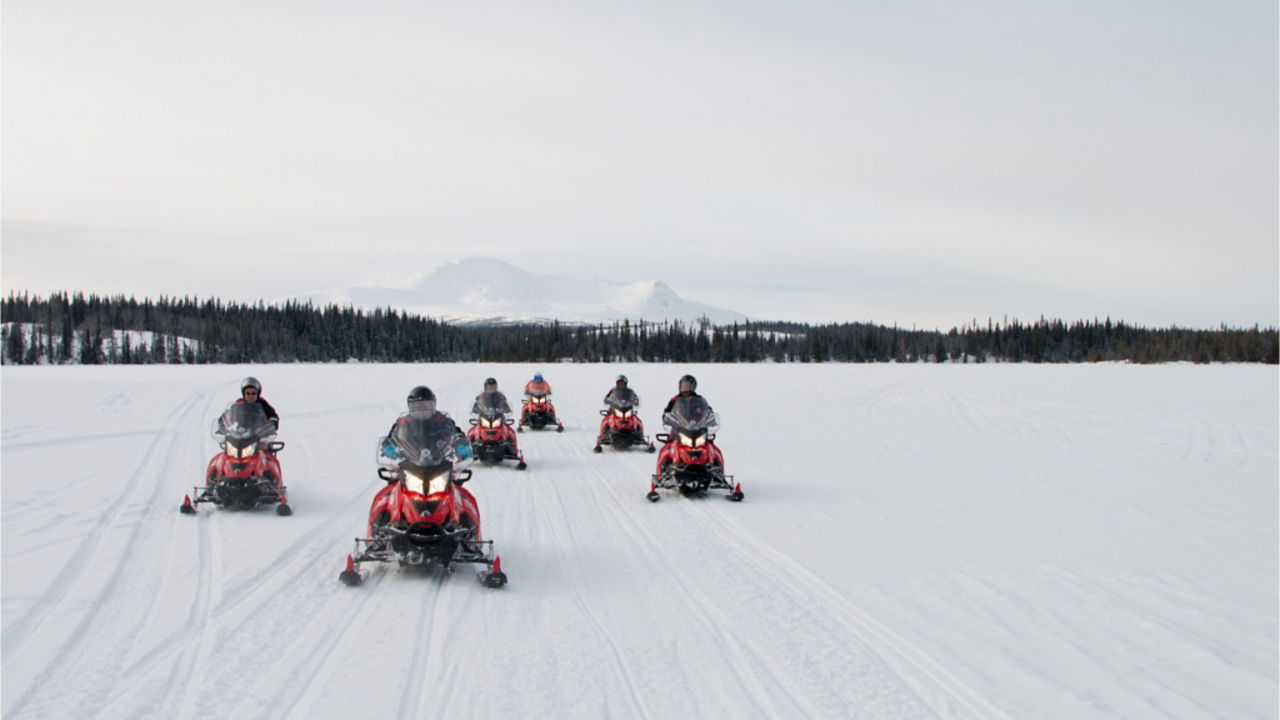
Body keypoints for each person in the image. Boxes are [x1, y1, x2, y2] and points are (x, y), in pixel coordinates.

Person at [381, 385, 472, 463]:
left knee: (455, 482)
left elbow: (457, 434)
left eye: (426, 405)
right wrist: (388, 447)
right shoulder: (403, 424)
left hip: (440, 465)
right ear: (410, 407)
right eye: (417, 406)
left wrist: (461, 445)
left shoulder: (443, 421)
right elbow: (391, 439)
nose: (422, 409)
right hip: (409, 465)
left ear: (433, 406)